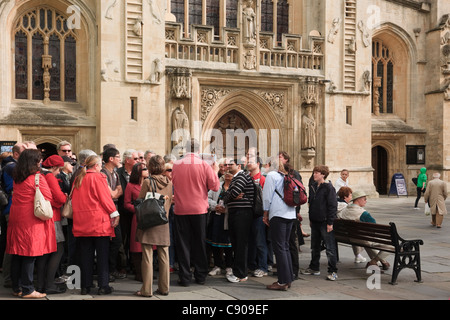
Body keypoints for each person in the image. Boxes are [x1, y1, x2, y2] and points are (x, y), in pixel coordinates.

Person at [6, 149, 55, 298]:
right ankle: (28, 289)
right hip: (31, 219)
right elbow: (48, 197)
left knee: (17, 253)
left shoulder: (17, 176)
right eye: (39, 159)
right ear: (34, 161)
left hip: (16, 217)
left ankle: (17, 287)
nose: (40, 162)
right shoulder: (37, 177)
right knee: (29, 254)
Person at [172, 139, 220, 286]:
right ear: (198, 150)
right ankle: (200, 276)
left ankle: (185, 277)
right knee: (199, 243)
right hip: (199, 209)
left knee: (183, 244)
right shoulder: (204, 165)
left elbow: (173, 183)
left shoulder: (176, 165)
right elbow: (215, 187)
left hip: (181, 209)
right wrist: (215, 171)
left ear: (185, 150)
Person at [72, 155, 119, 295]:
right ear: (97, 165)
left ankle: (86, 286)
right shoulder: (99, 177)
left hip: (82, 221)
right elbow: (105, 198)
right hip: (98, 222)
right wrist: (114, 212)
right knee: (102, 255)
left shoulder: (78, 178)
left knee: (85, 255)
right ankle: (103, 285)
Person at [135, 155, 173, 297]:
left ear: (150, 167)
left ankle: (146, 290)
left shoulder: (147, 182)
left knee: (147, 256)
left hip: (149, 221)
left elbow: (140, 201)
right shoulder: (169, 182)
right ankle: (164, 288)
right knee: (164, 255)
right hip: (164, 221)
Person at [262, 159, 297, 291]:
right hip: (290, 213)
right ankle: (288, 279)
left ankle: (282, 281)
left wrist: (265, 213)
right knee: (285, 247)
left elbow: (267, 196)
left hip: (278, 214)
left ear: (269, 165)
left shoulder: (271, 176)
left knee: (280, 248)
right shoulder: (285, 176)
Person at [36, 155, 67, 294]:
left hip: (42, 217)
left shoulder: (38, 174)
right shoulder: (49, 177)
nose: (59, 172)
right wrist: (65, 197)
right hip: (53, 217)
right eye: (59, 169)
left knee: (45, 252)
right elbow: (59, 197)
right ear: (54, 167)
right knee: (57, 249)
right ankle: (49, 284)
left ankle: (41, 284)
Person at [301, 165, 339, 281]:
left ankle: (332, 271)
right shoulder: (313, 186)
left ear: (323, 174)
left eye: (317, 173)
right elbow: (311, 204)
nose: (314, 174)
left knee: (329, 248)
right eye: (314, 172)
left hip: (325, 222)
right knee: (315, 246)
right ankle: (314, 267)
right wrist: (311, 219)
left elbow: (333, 206)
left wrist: (330, 222)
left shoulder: (328, 188)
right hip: (315, 221)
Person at [339, 190, 390, 271]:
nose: (366, 201)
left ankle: (382, 262)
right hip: (361, 237)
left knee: (366, 240)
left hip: (349, 236)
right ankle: (373, 261)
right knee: (391, 245)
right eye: (365, 199)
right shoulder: (363, 213)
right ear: (358, 199)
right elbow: (374, 227)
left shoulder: (344, 210)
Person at [222, 158, 255, 283]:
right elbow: (227, 195)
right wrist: (231, 197)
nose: (228, 166)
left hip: (242, 214)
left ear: (239, 166)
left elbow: (232, 193)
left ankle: (241, 273)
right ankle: (239, 271)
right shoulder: (236, 178)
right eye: (227, 164)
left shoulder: (241, 177)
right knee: (236, 244)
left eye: (231, 164)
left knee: (240, 244)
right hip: (237, 213)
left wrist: (229, 197)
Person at [101, 148, 125, 280]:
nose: (119, 159)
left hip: (115, 211)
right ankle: (106, 271)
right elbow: (111, 194)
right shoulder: (102, 173)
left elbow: (119, 192)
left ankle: (111, 268)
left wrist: (114, 192)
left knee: (117, 241)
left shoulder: (115, 173)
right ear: (111, 158)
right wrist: (115, 192)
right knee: (106, 243)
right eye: (117, 156)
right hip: (105, 213)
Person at [123, 162, 149, 281]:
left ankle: (147, 272)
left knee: (149, 246)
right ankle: (139, 273)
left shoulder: (150, 183)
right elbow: (126, 204)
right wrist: (137, 209)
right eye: (144, 169)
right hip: (137, 218)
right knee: (137, 247)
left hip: (150, 217)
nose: (147, 170)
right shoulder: (130, 186)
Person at [207, 169, 233, 277]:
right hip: (216, 217)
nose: (228, 174)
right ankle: (217, 265)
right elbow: (207, 198)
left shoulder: (235, 187)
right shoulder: (218, 185)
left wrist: (226, 210)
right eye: (227, 172)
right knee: (215, 242)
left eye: (230, 173)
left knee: (228, 244)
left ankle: (229, 266)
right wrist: (215, 206)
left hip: (228, 219)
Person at [247, 155, 268, 278]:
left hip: (259, 215)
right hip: (248, 214)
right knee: (250, 242)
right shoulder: (247, 178)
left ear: (258, 164)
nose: (248, 163)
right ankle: (252, 265)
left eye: (251, 162)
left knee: (260, 242)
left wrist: (266, 214)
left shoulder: (262, 179)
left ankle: (263, 267)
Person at [336, 186, 366, 264]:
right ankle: (358, 256)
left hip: (338, 231)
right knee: (354, 232)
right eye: (350, 195)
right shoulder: (346, 207)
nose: (352, 197)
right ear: (345, 197)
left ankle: (358, 256)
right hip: (346, 233)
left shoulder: (335, 204)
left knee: (352, 230)